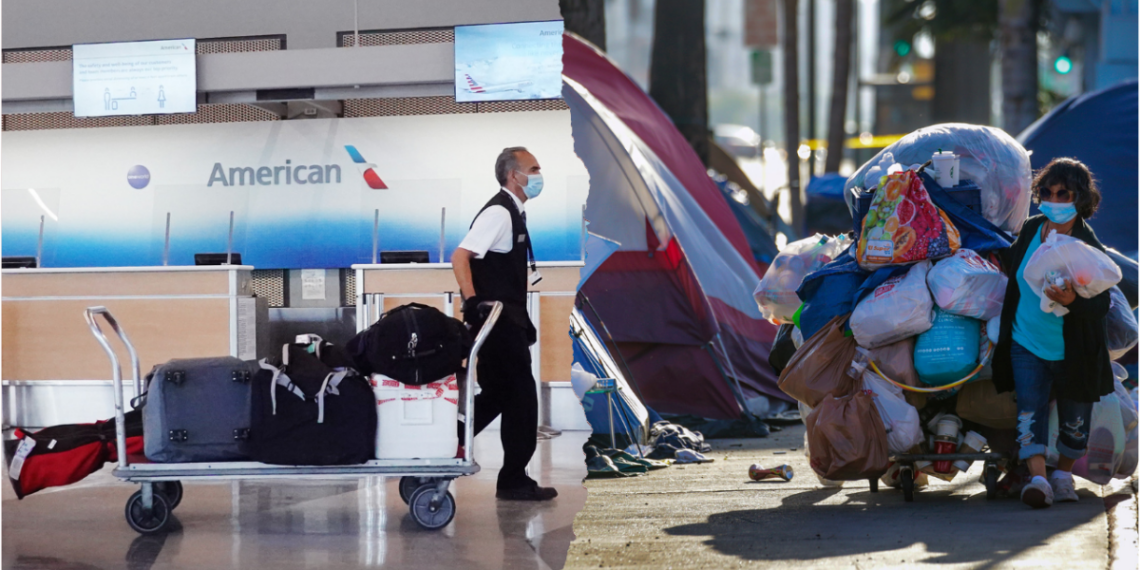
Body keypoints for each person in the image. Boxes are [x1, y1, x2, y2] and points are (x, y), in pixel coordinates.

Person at [992, 157, 1115, 509]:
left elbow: (1099, 307)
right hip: (1025, 341)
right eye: (1047, 192)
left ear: (1080, 198)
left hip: (1072, 349)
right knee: (1029, 411)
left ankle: (1062, 475)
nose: (1054, 200)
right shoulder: (1032, 228)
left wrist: (1073, 299)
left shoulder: (1087, 245)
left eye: (1064, 193)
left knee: (1075, 418)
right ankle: (1038, 480)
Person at [451, 146, 557, 501]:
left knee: (498, 395)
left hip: (504, 319)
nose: (539, 175)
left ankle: (445, 440)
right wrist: (472, 301)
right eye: (534, 168)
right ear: (515, 175)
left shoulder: (513, 212)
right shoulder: (499, 212)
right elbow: (461, 255)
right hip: (498, 321)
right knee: (522, 399)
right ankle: (512, 479)